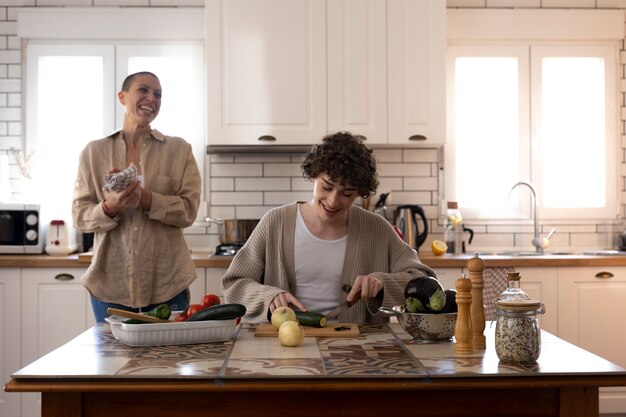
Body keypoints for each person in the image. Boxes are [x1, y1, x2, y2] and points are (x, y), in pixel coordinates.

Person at [222, 131, 436, 324]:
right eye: (327, 187)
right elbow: (234, 285)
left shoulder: (377, 229)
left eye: (347, 193)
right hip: (283, 351)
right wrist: (268, 297)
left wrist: (382, 283)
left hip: (357, 353)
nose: (333, 201)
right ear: (313, 175)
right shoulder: (275, 223)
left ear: (359, 192)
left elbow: (424, 281)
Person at [72, 71, 201, 322]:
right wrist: (111, 206)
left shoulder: (180, 150)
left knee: (167, 361)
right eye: (143, 90)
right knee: (113, 361)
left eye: (158, 94)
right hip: (109, 285)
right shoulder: (93, 152)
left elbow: (189, 210)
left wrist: (146, 198)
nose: (151, 98)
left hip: (168, 284)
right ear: (122, 97)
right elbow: (79, 215)